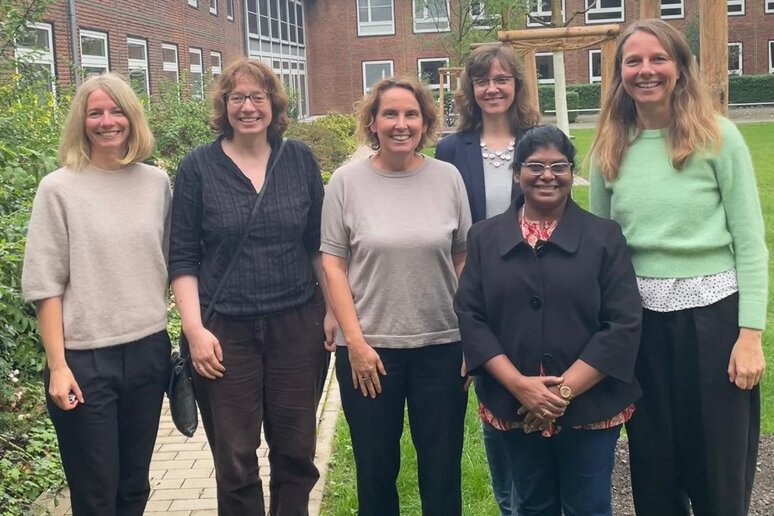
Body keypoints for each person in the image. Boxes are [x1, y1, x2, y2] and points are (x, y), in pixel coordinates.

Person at [589, 19, 768, 516]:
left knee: (717, 467)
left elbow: (752, 243)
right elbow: (601, 250)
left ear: (679, 67)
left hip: (713, 321)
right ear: (620, 72)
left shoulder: (719, 138)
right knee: (654, 465)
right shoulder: (609, 146)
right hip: (639, 326)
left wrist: (750, 334)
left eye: (658, 59)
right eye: (633, 61)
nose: (646, 71)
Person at [168, 58, 335, 515]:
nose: (247, 107)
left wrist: (333, 311)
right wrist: (195, 330)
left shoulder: (298, 158)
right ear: (224, 106)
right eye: (237, 97)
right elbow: (182, 257)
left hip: (297, 326)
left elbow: (318, 245)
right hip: (224, 335)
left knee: (296, 451)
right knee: (235, 459)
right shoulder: (197, 167)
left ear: (273, 104)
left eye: (257, 97)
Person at [455, 125, 642, 516]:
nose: (547, 175)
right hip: (513, 401)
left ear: (572, 174)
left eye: (559, 166)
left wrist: (563, 392)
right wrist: (520, 386)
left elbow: (623, 323)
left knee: (587, 507)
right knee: (530, 505)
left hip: (590, 404)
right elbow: (471, 316)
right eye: (535, 166)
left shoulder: (604, 238)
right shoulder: (485, 238)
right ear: (516, 173)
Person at [321, 76, 472, 516]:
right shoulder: (346, 183)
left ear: (425, 122)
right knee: (374, 472)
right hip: (370, 352)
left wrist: (471, 336)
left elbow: (463, 258)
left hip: (442, 348)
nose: (400, 124)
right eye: (390, 113)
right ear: (372, 121)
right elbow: (333, 264)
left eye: (411, 114)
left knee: (442, 473)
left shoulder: (448, 178)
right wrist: (356, 344)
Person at [21, 73, 171, 516]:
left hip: (148, 352)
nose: (107, 121)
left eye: (116, 110)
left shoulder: (156, 183)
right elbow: (45, 285)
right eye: (95, 112)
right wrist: (58, 366)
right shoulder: (58, 188)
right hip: (86, 362)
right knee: (96, 493)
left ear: (132, 117)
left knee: (133, 487)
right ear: (81, 122)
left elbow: (164, 263)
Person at [435, 43, 540, 516]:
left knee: (538, 389)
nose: (492, 88)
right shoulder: (450, 149)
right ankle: (508, 505)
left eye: (501, 79)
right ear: (470, 90)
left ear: (516, 85)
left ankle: (539, 499)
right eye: (482, 81)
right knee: (495, 399)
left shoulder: (539, 138)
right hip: (479, 290)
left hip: (539, 288)